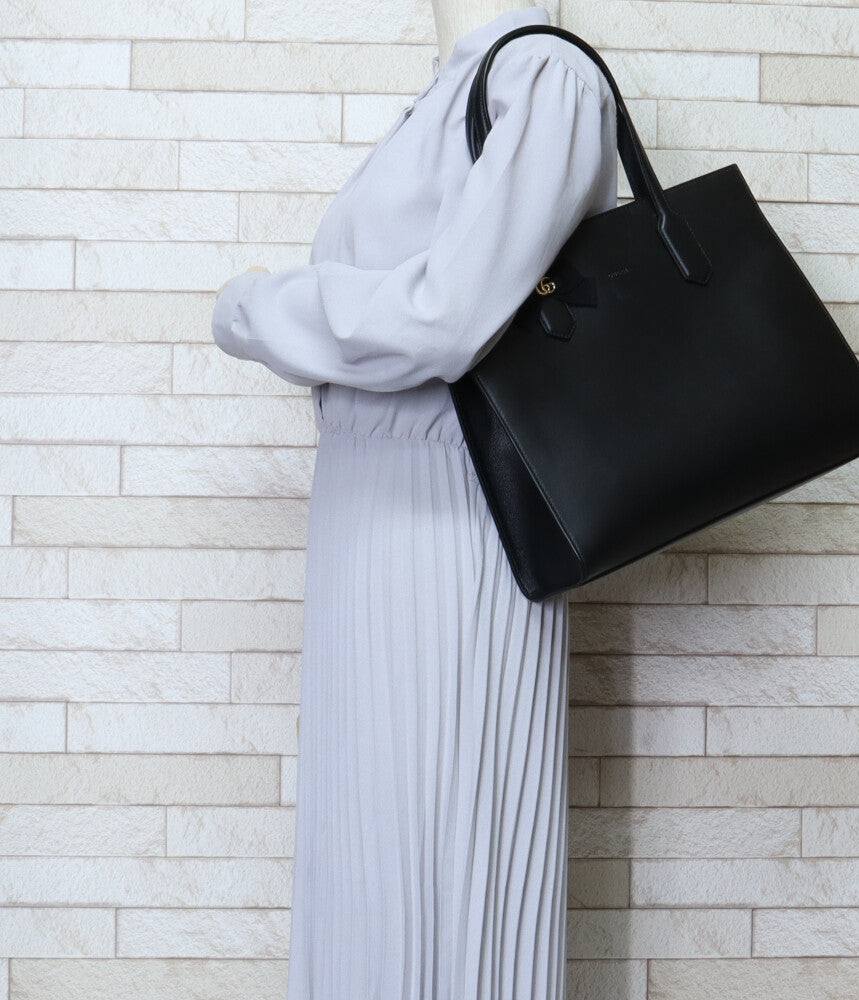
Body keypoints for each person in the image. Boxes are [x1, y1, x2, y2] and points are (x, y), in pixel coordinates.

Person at [211, 3, 618, 996]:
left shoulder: (546, 78)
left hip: (452, 514)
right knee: (369, 856)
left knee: (440, 850)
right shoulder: (452, 87)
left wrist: (261, 305)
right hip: (371, 511)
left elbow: (443, 320)